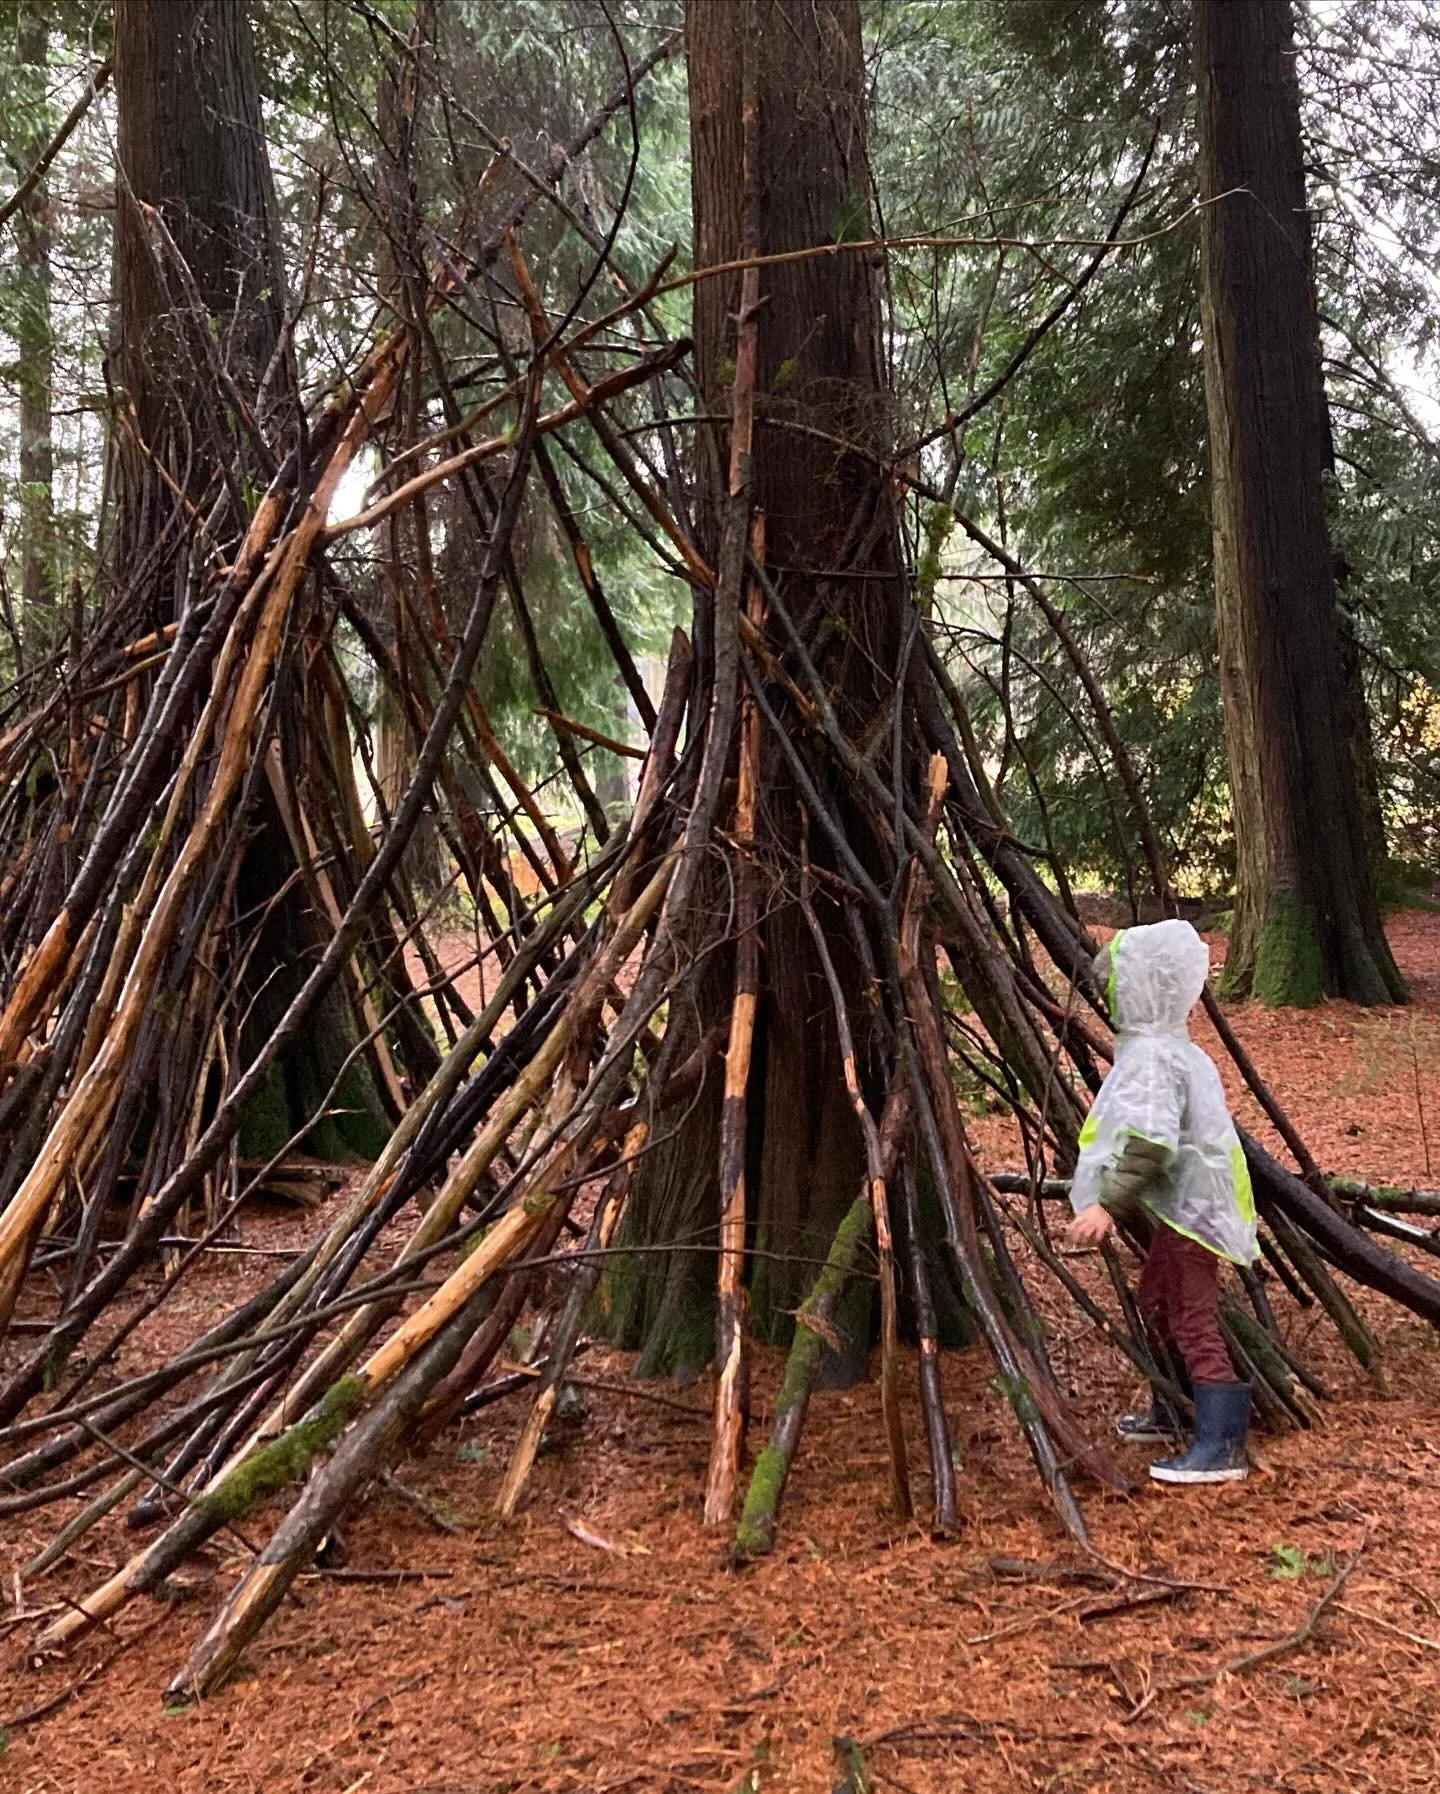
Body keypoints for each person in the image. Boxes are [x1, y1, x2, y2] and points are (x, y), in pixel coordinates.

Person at [1066, 918, 1259, 1485]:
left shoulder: (1156, 1056)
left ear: (1143, 985)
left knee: (1191, 1314)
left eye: (1120, 981)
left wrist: (1106, 1204)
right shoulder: (1167, 1048)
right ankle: (1172, 1408)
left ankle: (1223, 1444)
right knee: (1157, 1299)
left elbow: (1152, 1141)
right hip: (1190, 1207)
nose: (1110, 992)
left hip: (1194, 1212)